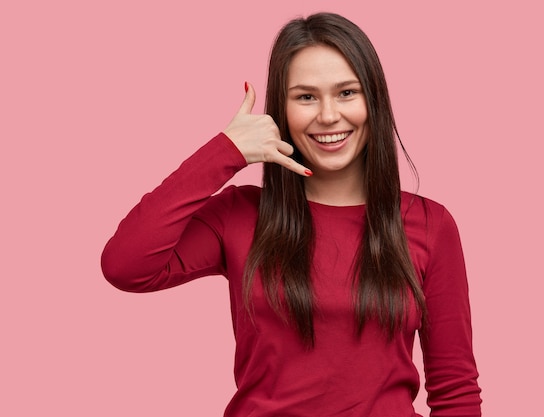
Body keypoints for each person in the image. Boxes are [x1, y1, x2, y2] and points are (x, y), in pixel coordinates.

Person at [101, 12, 482, 417]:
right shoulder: (240, 215)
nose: (328, 115)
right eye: (306, 97)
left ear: (374, 100)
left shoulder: (429, 225)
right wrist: (225, 151)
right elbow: (125, 265)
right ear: (280, 110)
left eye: (347, 93)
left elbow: (455, 389)